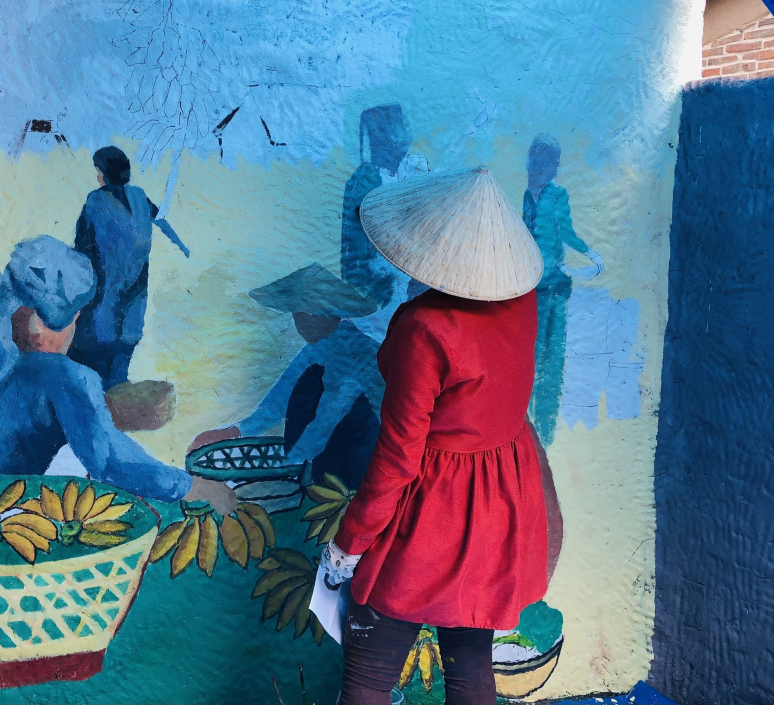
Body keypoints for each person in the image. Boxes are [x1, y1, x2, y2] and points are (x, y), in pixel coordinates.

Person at [322, 167, 554, 705]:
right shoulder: (522, 301)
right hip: (501, 505)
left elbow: (398, 457)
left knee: (368, 677)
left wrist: (348, 544)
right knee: (470, 663)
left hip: (433, 515)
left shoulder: (425, 328)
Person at [0, 235, 235, 515]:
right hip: (3, 541)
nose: (74, 332)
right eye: (75, 319)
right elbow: (111, 462)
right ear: (40, 327)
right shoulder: (61, 377)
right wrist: (193, 487)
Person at [190, 263, 384, 490]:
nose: (299, 323)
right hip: (322, 454)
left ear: (325, 314)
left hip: (361, 455)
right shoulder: (316, 349)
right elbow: (276, 404)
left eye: (302, 314)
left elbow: (328, 418)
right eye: (296, 315)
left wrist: (286, 465)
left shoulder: (358, 352)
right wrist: (231, 432)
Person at [69, 146, 189, 390]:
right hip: (131, 317)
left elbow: (81, 249)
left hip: (100, 314)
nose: (97, 175)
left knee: (85, 376)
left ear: (104, 171)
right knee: (117, 378)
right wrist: (182, 246)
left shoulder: (96, 201)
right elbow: (161, 220)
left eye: (97, 170)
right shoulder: (139, 197)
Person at [523, 134, 604, 446]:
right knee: (531, 357)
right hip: (531, 289)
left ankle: (544, 431)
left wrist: (590, 254)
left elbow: (566, 232)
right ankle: (529, 426)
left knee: (551, 358)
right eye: (534, 160)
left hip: (554, 287)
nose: (536, 167)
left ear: (553, 166)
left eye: (543, 162)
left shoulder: (557, 195)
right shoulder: (527, 196)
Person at [340, 104, 428, 341]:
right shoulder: (365, 180)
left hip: (411, 285)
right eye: (398, 127)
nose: (404, 135)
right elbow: (353, 252)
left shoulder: (415, 168)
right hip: (381, 294)